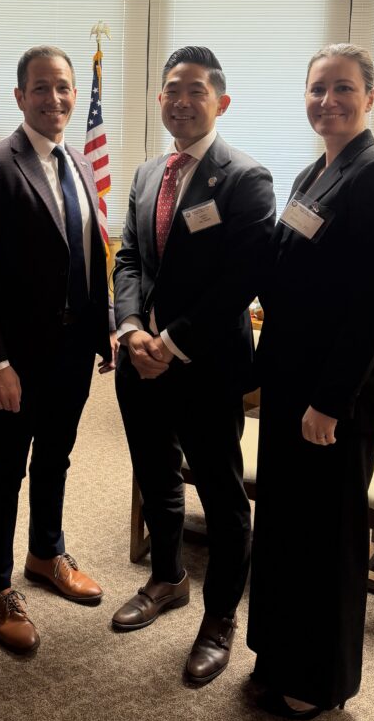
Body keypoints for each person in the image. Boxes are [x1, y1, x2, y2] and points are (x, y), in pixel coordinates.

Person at [247, 43, 374, 720]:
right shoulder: (309, 174)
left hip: (333, 391)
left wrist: (328, 401)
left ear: (369, 97)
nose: (329, 101)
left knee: (327, 534)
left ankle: (319, 681)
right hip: (291, 380)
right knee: (285, 524)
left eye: (343, 88)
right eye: (318, 88)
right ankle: (276, 655)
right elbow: (282, 272)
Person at [111, 46, 275, 686]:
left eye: (195, 91)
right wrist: (130, 329)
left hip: (205, 365)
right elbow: (129, 257)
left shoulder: (246, 178)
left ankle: (219, 620)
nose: (181, 101)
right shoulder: (148, 172)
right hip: (138, 361)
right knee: (156, 476)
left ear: (220, 102)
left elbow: (241, 280)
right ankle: (167, 577)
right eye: (172, 91)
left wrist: (171, 343)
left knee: (222, 494)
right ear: (160, 99)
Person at [0, 44, 116, 654]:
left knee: (56, 458)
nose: (55, 98)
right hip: (15, 360)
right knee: (5, 466)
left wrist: (103, 330)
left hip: (72, 351)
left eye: (64, 87)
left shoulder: (79, 163)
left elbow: (90, 256)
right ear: (20, 96)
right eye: (41, 88)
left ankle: (46, 552)